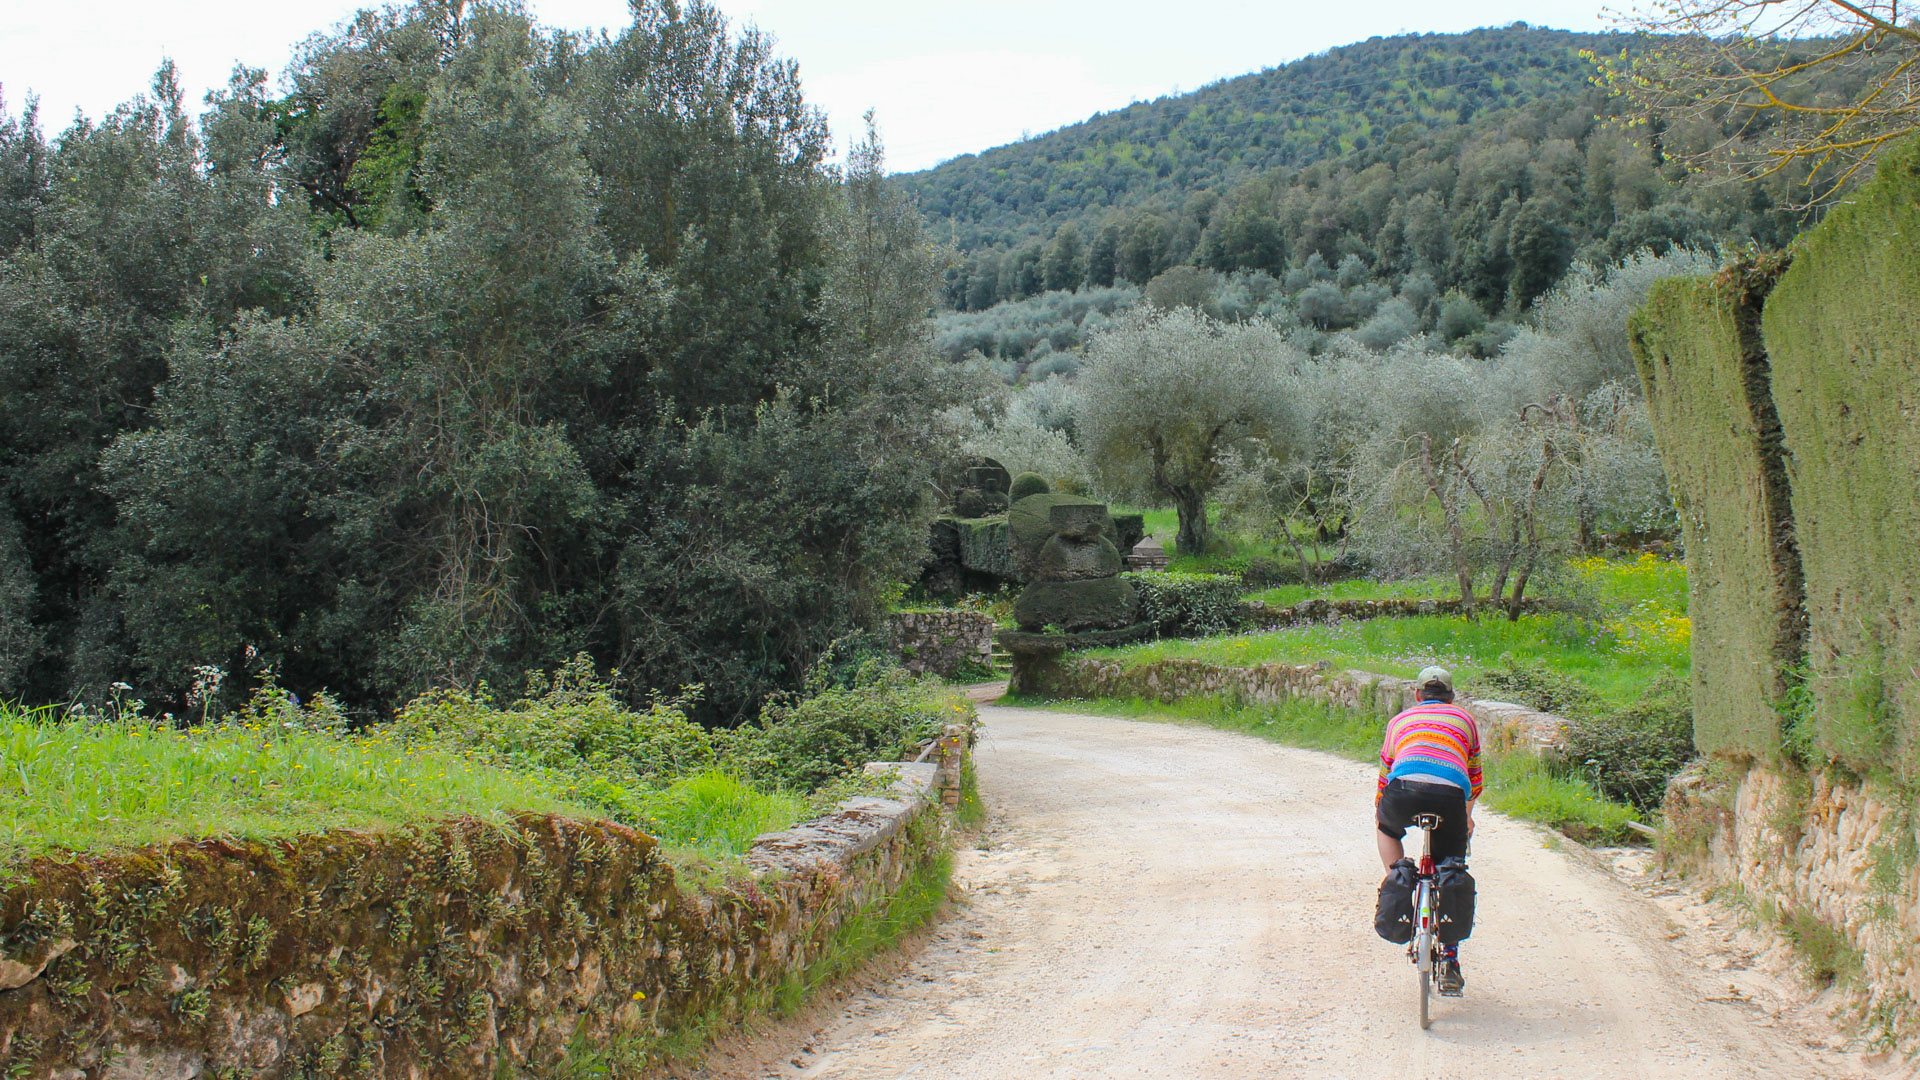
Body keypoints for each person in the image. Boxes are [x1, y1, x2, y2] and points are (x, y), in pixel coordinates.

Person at [1376, 665, 1481, 996]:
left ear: (1417, 695)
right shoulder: (1465, 720)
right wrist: (1466, 817)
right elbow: (1474, 779)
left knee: (1386, 828)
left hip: (1403, 787)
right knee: (1450, 863)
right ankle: (1450, 962)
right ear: (1451, 697)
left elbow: (1384, 777)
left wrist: (1384, 813)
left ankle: (1399, 879)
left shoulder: (1399, 721)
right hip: (1450, 794)